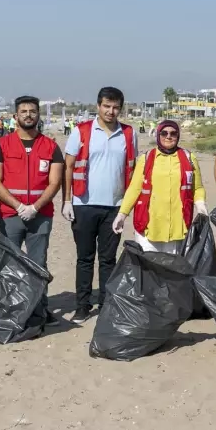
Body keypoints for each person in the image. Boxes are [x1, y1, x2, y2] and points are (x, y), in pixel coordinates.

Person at [62, 87, 137, 322]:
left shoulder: (129, 134)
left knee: (108, 259)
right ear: (98, 106)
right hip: (83, 204)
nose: (111, 111)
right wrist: (66, 200)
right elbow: (68, 166)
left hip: (114, 207)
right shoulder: (81, 132)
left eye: (115, 107)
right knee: (85, 258)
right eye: (107, 106)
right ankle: (82, 306)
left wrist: (126, 209)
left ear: (120, 109)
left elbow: (133, 169)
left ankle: (106, 304)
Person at [0, 96, 65, 320]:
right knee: (8, 263)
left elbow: (55, 182)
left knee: (38, 263)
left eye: (33, 111)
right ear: (15, 116)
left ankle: (39, 310)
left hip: (40, 216)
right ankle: (8, 309)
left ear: (38, 115)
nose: (28, 115)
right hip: (10, 215)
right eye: (24, 111)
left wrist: (35, 206)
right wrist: (19, 205)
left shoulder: (50, 146)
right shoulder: (2, 145)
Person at [114, 119, 206, 255]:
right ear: (158, 135)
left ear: (178, 136)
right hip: (149, 227)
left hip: (177, 228)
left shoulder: (189, 158)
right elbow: (134, 189)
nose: (168, 136)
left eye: (173, 133)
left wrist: (200, 205)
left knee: (171, 271)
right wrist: (122, 215)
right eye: (164, 133)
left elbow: (197, 188)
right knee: (148, 271)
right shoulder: (146, 159)